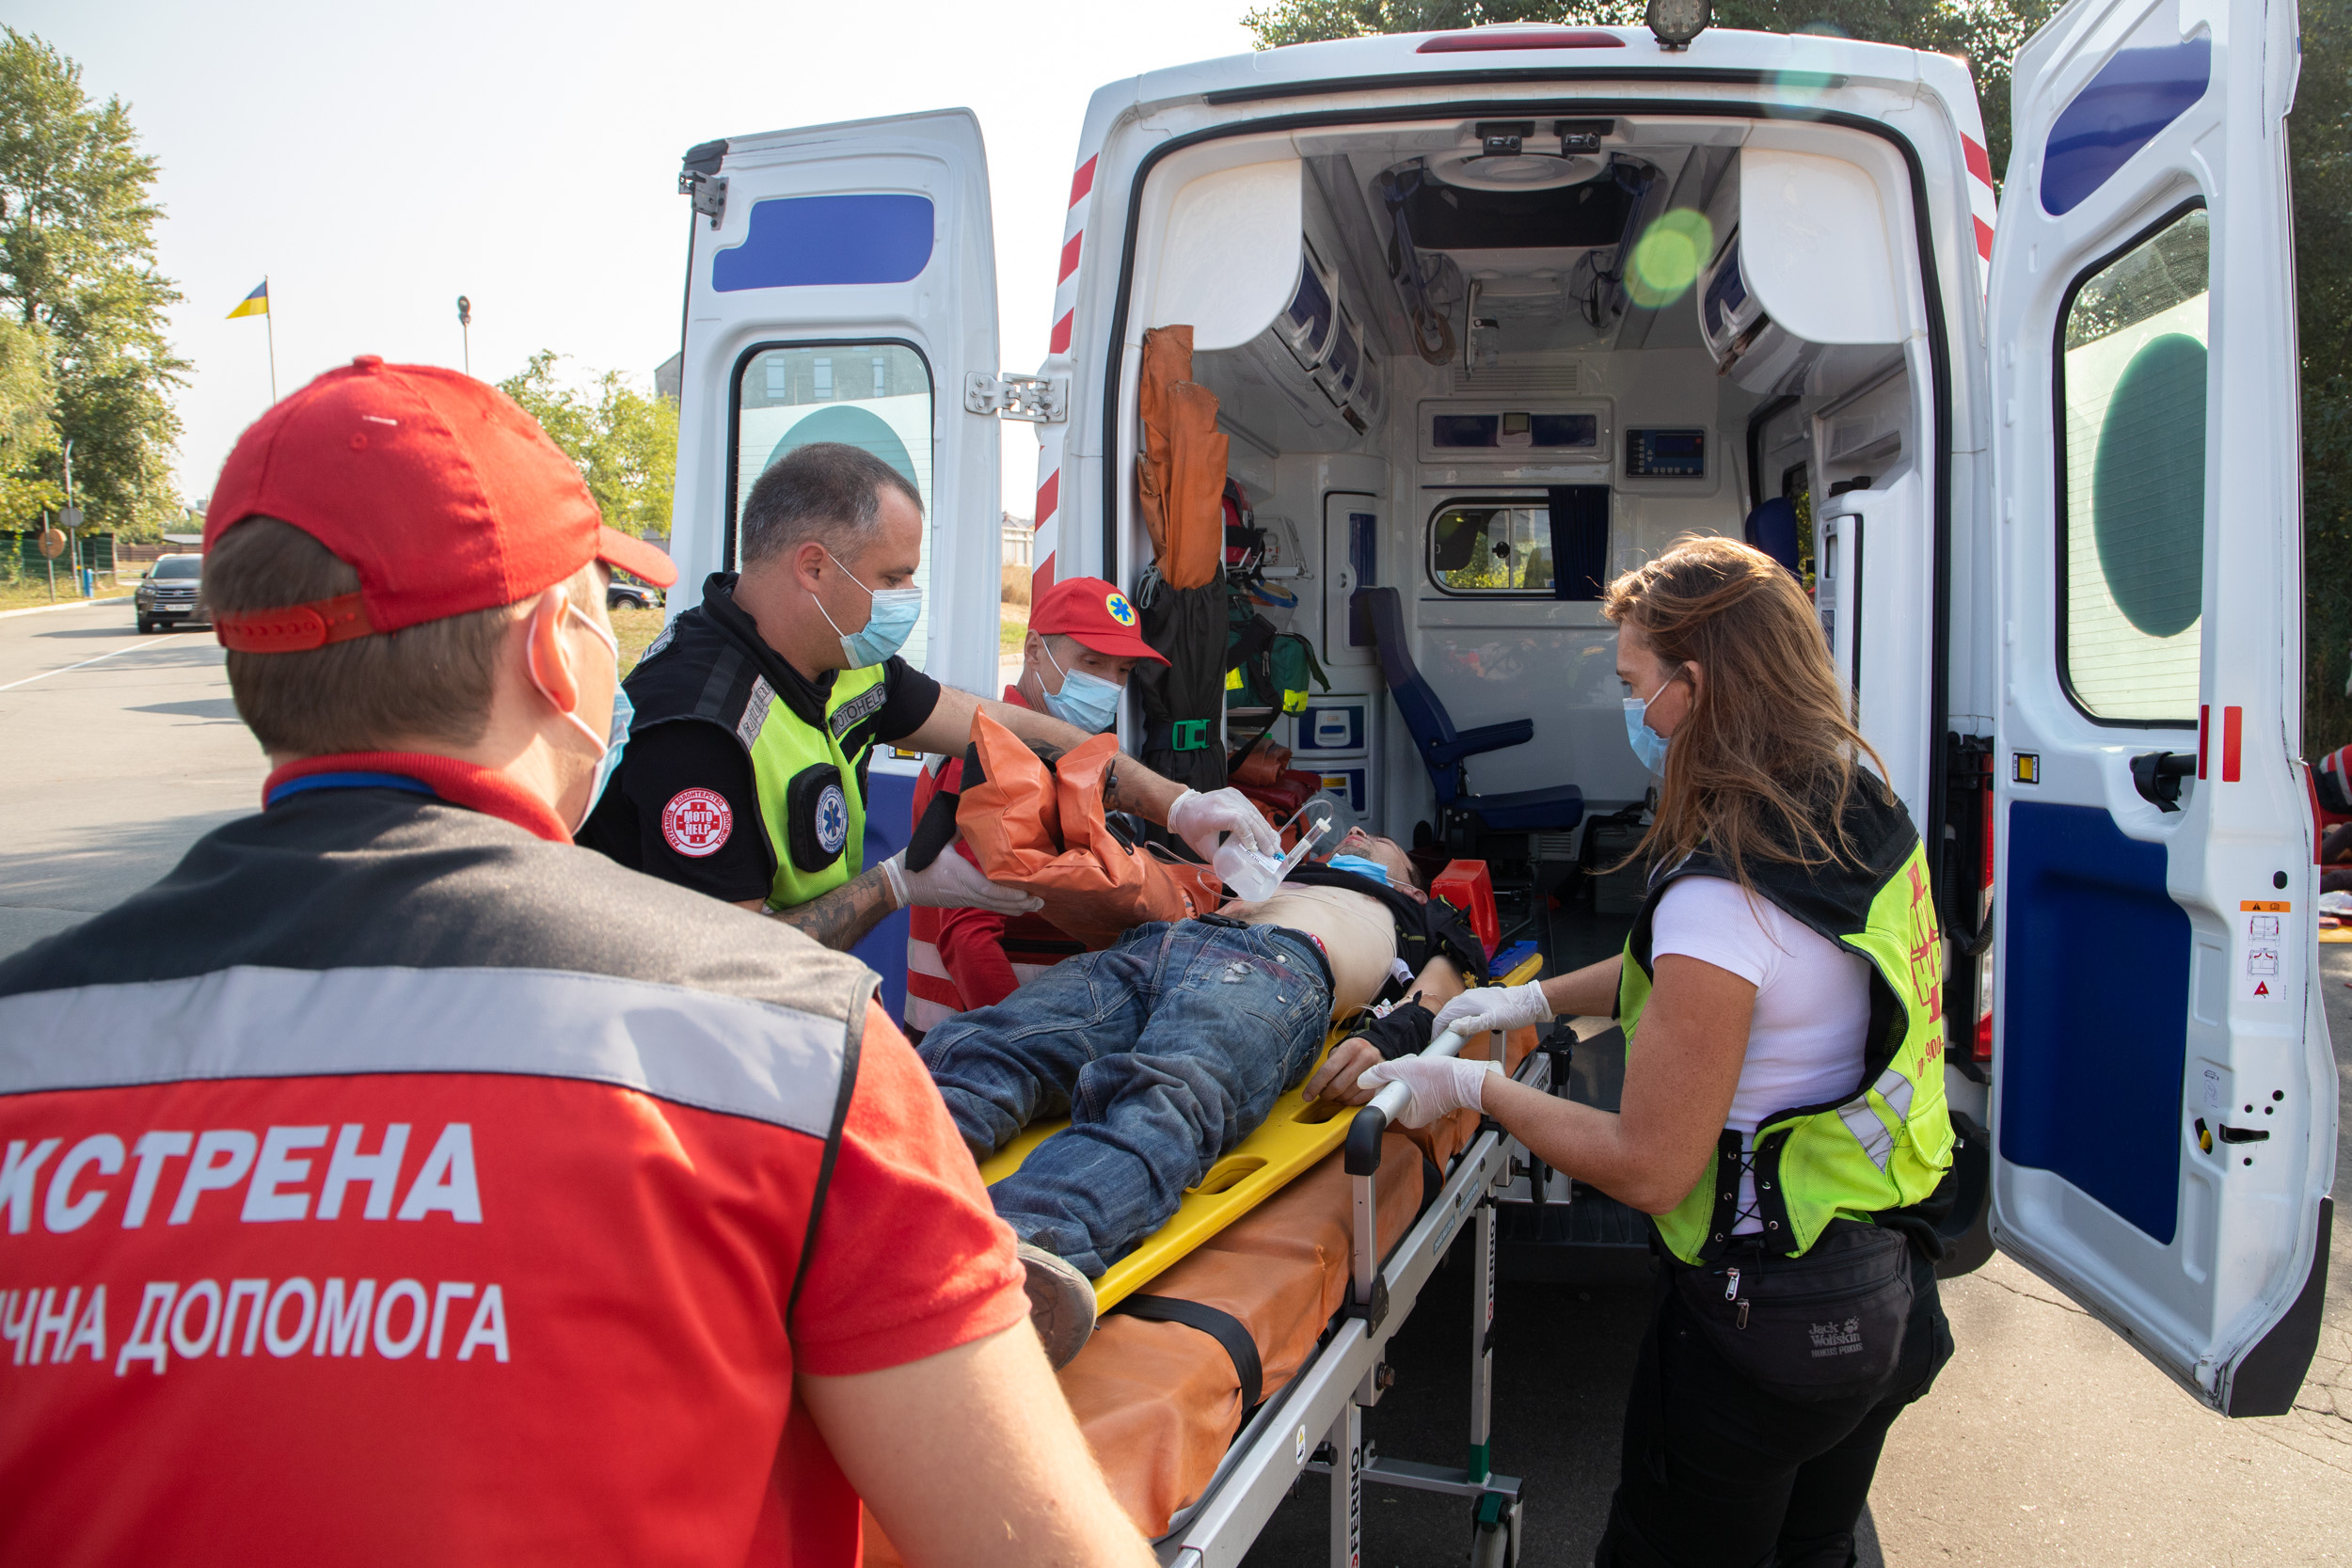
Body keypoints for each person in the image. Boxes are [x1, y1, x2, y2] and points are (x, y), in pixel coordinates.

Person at [0, 358, 1154, 1568]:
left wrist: (1160, 799)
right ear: (559, 652)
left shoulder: (30, 1042)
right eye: (607, 609)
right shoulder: (789, 1047)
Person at [1355, 536, 1957, 1568]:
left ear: (1698, 684)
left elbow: (1649, 1166)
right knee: (1815, 1550)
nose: (1633, 708)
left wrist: (1471, 1084)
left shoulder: (1725, 889)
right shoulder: (1851, 808)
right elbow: (1706, 977)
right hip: (1887, 1277)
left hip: (1764, 1321)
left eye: (1636, 684)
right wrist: (1535, 995)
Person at [578, 441, 1277, 950]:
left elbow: (1016, 729)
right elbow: (733, 963)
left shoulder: (845, 662)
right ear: (814, 567)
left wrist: (1177, 804)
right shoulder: (703, 728)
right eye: (893, 577)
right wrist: (896, 886)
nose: (908, 598)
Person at [917, 828, 1485, 1366]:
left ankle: (1004, 1257)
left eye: (1379, 841)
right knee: (984, 1047)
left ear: (1412, 886)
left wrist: (1390, 1036)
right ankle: (886, 1183)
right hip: (1154, 945)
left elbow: (1445, 984)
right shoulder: (1284, 870)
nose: (1358, 836)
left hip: (1278, 967)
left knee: (1168, 1098)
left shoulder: (1417, 914)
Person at [904, 574, 1166, 1036]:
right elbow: (967, 934)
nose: (1109, 684)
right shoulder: (987, 755)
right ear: (1032, 651)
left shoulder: (1063, 758)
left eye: (1123, 670)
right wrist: (1025, 1047)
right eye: (1092, 662)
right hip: (971, 1042)